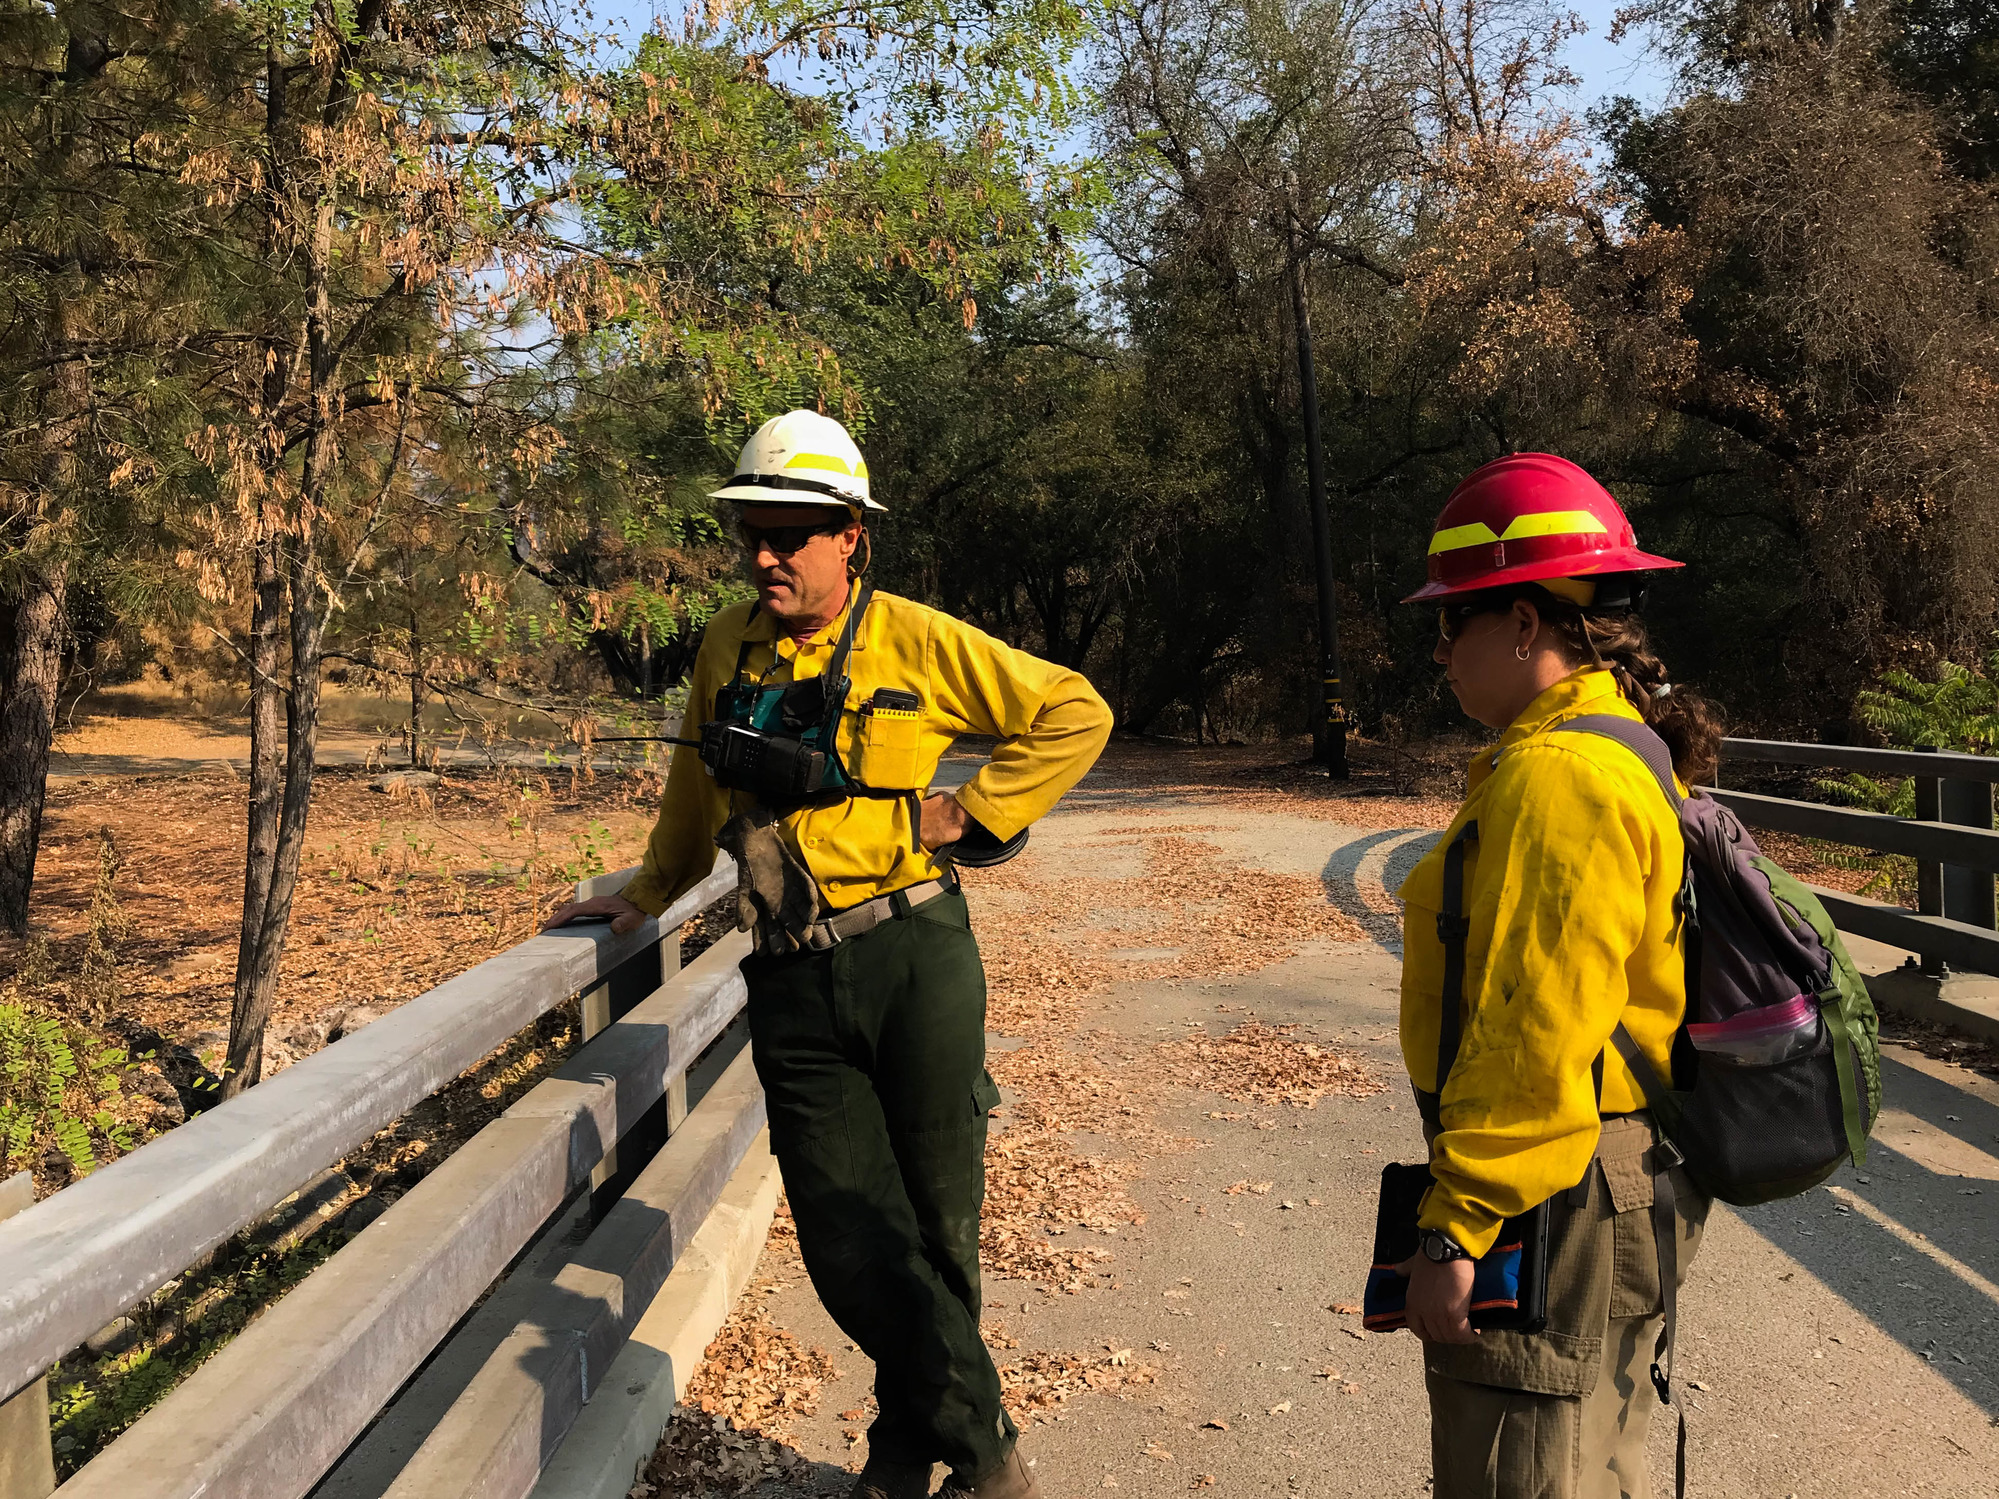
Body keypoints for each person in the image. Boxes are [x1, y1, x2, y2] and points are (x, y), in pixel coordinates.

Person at [544, 409, 1111, 1499]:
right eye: (754, 529)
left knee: (938, 1225)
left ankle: (904, 1452)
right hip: (792, 970)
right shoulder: (726, 644)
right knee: (847, 1229)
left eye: (793, 531)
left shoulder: (913, 636)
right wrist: (645, 894)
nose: (767, 553)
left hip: (915, 955)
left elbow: (1073, 709)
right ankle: (990, 1453)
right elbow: (693, 795)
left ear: (850, 534)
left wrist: (967, 811)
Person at [1393, 452, 1725, 1498]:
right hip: (1601, 1177)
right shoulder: (1611, 748)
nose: (1440, 649)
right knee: (1589, 1464)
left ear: (1527, 624)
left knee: (1526, 1474)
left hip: (1555, 1193)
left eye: (1455, 621)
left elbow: (1535, 1028)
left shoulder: (1560, 775)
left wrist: (1457, 1220)